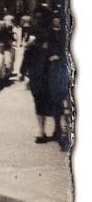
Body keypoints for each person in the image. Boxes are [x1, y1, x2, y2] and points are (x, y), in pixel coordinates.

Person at [27, 9, 71, 145]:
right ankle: (44, 131)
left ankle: (59, 129)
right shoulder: (36, 35)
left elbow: (63, 51)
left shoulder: (56, 34)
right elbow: (30, 55)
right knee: (42, 101)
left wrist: (58, 57)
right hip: (41, 74)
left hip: (53, 73)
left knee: (56, 102)